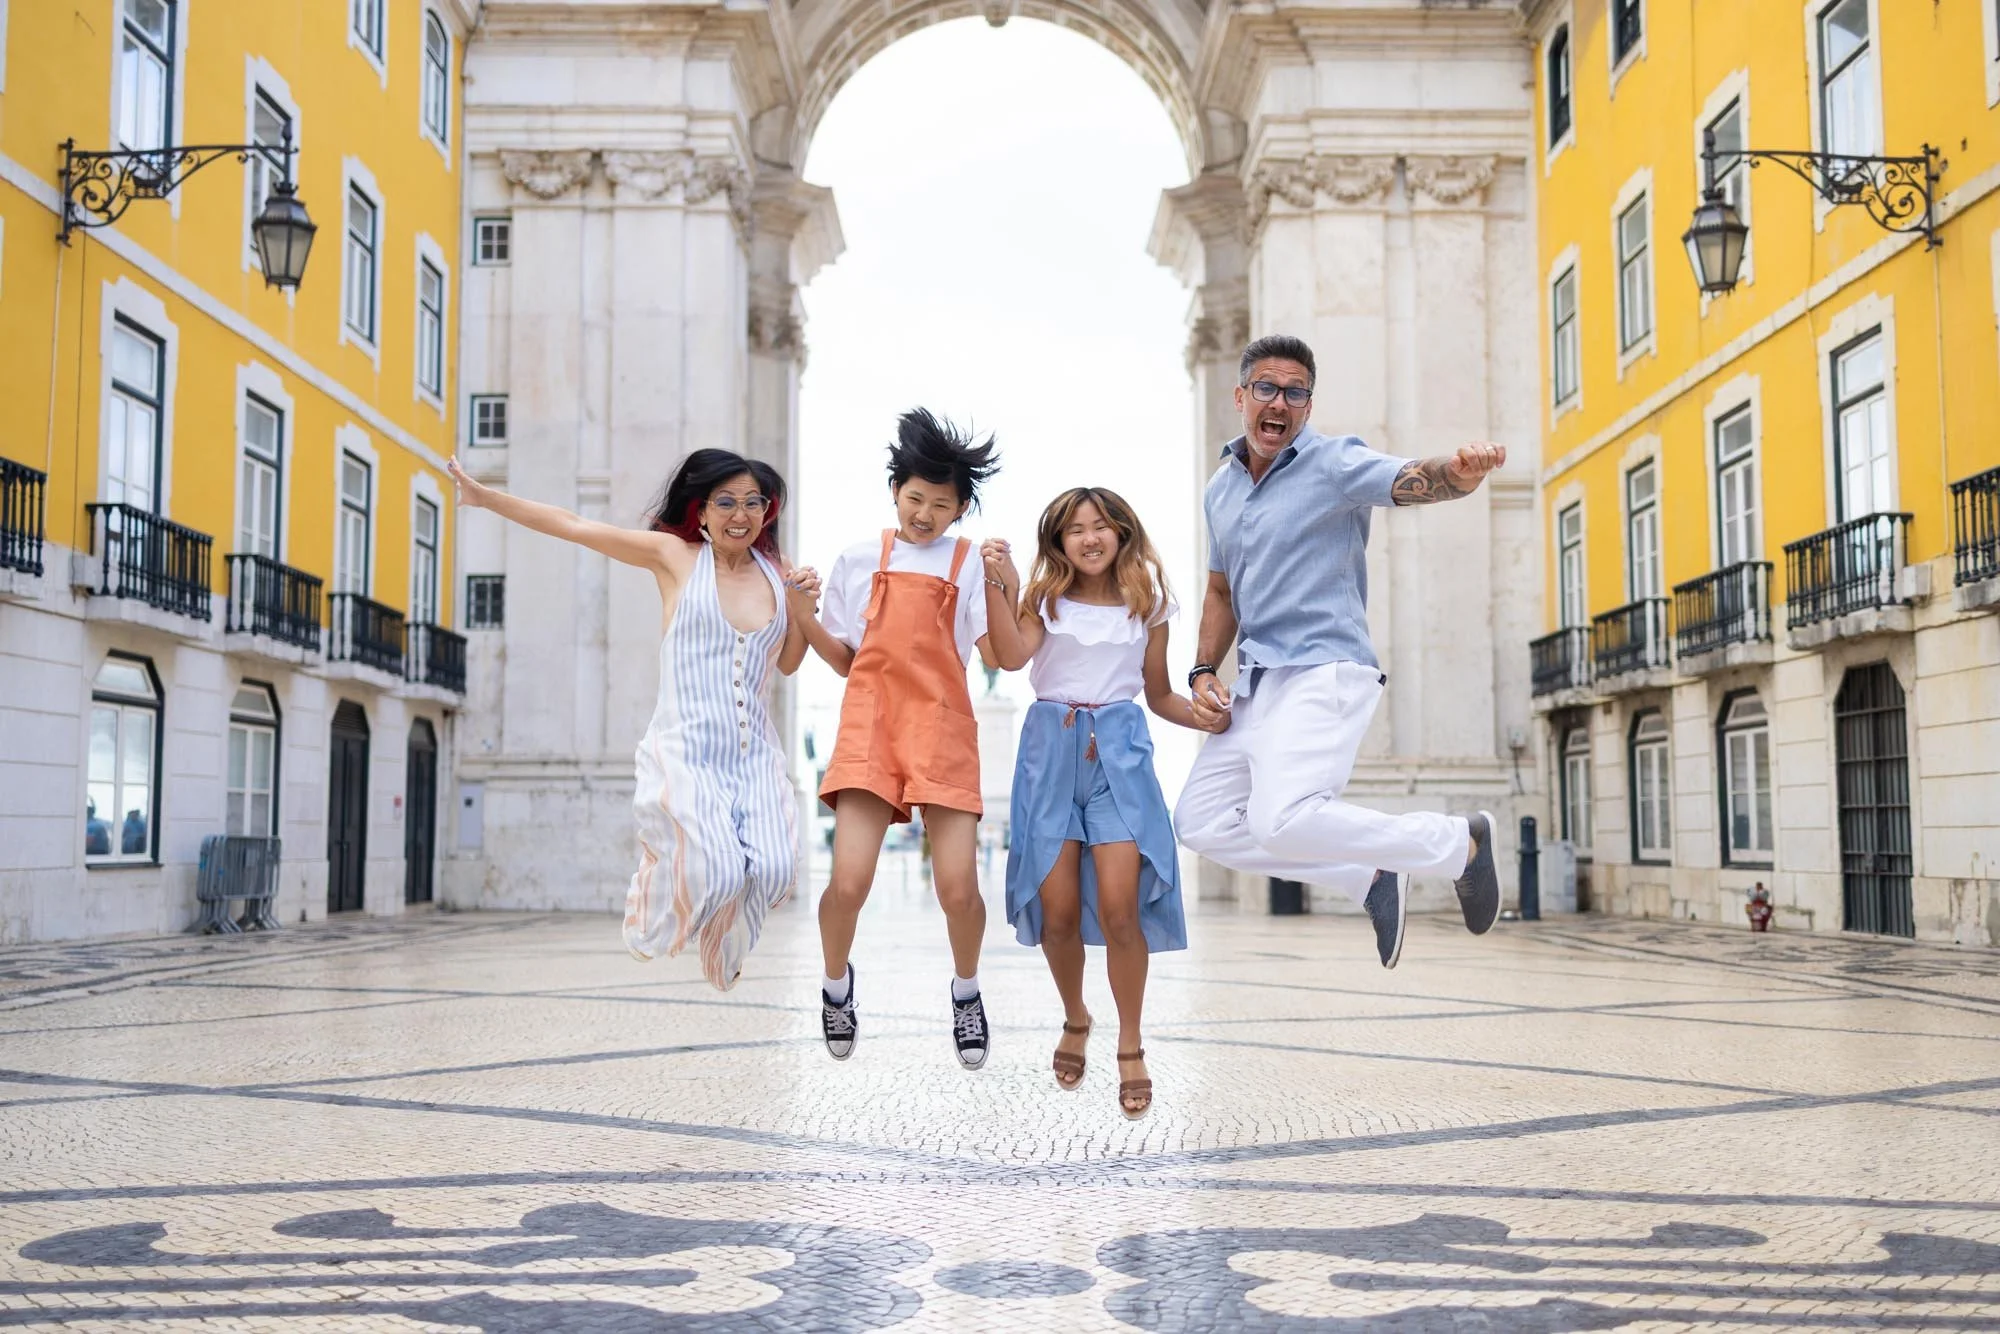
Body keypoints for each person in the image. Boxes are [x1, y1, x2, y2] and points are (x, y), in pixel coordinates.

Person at [1174, 334, 1507, 968]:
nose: (1280, 402)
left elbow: (1414, 479)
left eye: (1295, 392)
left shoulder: (1334, 463)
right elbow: (1220, 588)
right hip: (1256, 680)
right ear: (1240, 396)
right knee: (1201, 821)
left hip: (1324, 667)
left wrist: (1457, 475)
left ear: (1307, 403)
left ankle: (1457, 841)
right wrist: (1200, 670)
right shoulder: (1222, 490)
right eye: (1266, 388)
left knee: (1284, 818)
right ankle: (1372, 877)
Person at [446, 449, 817, 991]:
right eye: (727, 502)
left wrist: (803, 608)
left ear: (768, 509)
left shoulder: (778, 575)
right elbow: (574, 526)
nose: (741, 514)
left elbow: (786, 661)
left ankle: (722, 942)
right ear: (703, 510)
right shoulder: (674, 556)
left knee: (777, 868)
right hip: (687, 749)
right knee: (712, 869)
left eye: (753, 502)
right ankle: (654, 878)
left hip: (754, 753)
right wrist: (485, 497)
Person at [981, 487, 1224, 1119]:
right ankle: (1075, 1015)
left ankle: (1132, 1041)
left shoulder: (1150, 601)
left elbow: (1159, 693)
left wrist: (1207, 719)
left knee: (1122, 909)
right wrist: (999, 585)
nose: (1089, 538)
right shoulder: (1044, 599)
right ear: (1057, 542)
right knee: (1057, 911)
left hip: (1122, 757)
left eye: (1100, 526)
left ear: (1121, 531)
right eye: (1074, 530)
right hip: (1050, 756)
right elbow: (1009, 658)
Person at [793, 409, 1000, 1068]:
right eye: (915, 498)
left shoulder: (968, 564)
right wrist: (802, 616)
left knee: (959, 890)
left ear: (960, 508)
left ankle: (966, 994)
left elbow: (996, 654)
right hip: (870, 727)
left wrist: (1004, 584)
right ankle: (835, 986)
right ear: (894, 491)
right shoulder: (859, 559)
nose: (924, 513)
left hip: (942, 728)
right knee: (848, 883)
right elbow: (844, 659)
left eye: (940, 504)